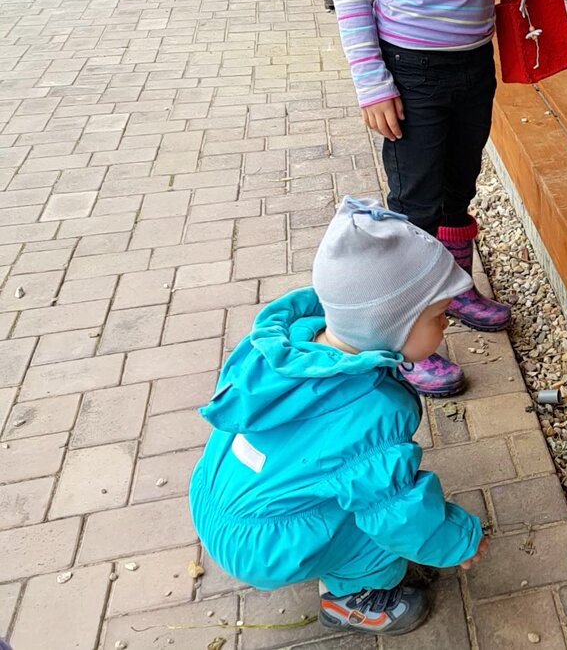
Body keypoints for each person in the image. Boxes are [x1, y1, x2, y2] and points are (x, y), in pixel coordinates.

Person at [190, 198, 489, 636]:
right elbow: (393, 511)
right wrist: (455, 541)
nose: (446, 326)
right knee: (381, 533)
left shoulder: (296, 345)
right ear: (391, 326)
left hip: (216, 498)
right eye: (438, 316)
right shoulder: (370, 412)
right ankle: (351, 600)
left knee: (355, 482)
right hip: (263, 543)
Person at [330, 0, 509, 397]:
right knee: (416, 210)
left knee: (458, 190)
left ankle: (455, 289)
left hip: (476, 59)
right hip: (410, 66)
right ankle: (406, 338)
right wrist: (371, 83)